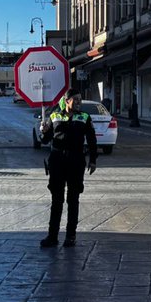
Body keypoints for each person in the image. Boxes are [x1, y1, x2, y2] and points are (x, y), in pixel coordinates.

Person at [39, 92, 97, 248]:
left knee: (73, 199)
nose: (78, 102)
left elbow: (92, 139)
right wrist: (43, 131)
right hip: (57, 161)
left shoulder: (84, 117)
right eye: (75, 100)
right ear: (67, 101)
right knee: (56, 200)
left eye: (80, 99)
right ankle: (52, 236)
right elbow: (45, 140)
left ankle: (71, 236)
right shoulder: (54, 116)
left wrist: (93, 160)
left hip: (76, 162)